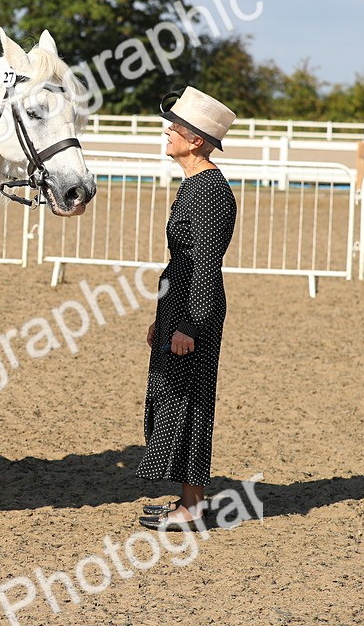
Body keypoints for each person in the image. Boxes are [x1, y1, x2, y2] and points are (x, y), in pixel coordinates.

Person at [137, 86, 237, 531]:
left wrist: (190, 325)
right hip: (179, 305)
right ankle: (187, 499)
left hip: (195, 309)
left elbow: (205, 264)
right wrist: (164, 318)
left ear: (196, 140)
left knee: (190, 401)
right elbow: (184, 260)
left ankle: (193, 508)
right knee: (175, 398)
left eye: (174, 128)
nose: (168, 133)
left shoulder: (210, 191)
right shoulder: (195, 185)